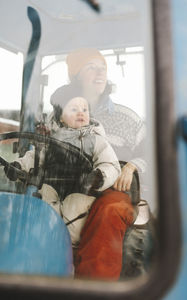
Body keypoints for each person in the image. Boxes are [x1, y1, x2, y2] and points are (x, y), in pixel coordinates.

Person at [46, 48, 149, 280]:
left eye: (102, 67)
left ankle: (93, 288)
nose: (100, 72)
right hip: (65, 183)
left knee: (109, 210)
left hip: (113, 186)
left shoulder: (128, 117)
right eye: (91, 67)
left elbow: (151, 152)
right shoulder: (55, 117)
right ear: (75, 76)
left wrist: (132, 166)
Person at [4, 91, 121, 247]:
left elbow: (111, 165)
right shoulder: (51, 139)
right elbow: (35, 157)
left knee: (75, 214)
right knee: (39, 207)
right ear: (60, 117)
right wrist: (18, 166)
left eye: (85, 109)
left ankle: (71, 251)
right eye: (74, 109)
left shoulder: (96, 141)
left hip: (81, 190)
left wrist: (99, 177)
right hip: (50, 189)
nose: (81, 112)